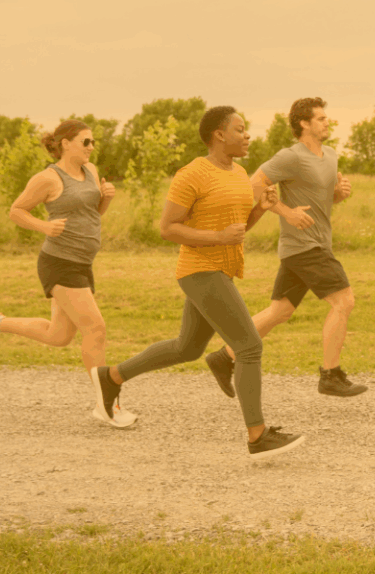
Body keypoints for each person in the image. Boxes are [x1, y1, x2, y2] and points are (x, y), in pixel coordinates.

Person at [96, 106, 305, 459]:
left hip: (220, 270)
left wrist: (260, 210)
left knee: (187, 348)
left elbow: (235, 231)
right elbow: (167, 228)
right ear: (219, 134)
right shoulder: (192, 174)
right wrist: (218, 236)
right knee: (249, 346)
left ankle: (111, 377)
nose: (247, 135)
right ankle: (257, 436)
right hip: (199, 269)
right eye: (240, 129)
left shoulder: (240, 174)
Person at [0, 119, 135, 427]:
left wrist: (106, 198)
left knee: (58, 336)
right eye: (86, 142)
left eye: (93, 142)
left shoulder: (92, 171)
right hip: (60, 263)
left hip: (83, 263)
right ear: (66, 143)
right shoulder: (48, 178)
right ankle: (107, 405)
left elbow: (91, 214)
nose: (91, 147)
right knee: (96, 329)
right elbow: (16, 210)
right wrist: (44, 226)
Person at [204, 97, 364, 398]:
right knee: (344, 301)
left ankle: (224, 357)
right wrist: (285, 211)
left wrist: (338, 195)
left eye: (326, 117)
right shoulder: (291, 157)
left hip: (314, 244)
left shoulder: (330, 155)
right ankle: (330, 375)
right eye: (320, 118)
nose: (327, 122)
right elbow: (253, 186)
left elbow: (321, 200)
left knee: (280, 311)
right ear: (303, 123)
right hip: (304, 246)